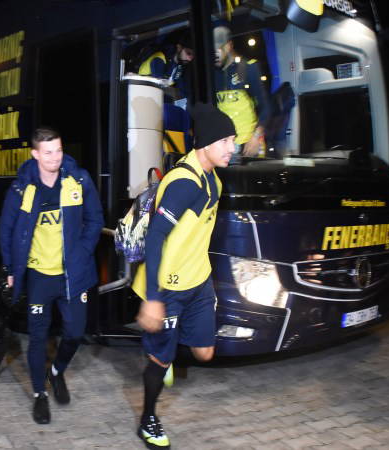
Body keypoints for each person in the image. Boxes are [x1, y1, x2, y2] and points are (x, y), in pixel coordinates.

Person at [132, 103, 235, 449]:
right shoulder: (183, 183)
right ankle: (148, 420)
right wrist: (153, 299)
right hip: (168, 287)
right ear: (206, 143)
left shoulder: (213, 180)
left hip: (198, 281)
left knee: (205, 352)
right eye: (226, 141)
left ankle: (170, 353)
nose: (232, 148)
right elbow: (155, 238)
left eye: (233, 140)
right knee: (160, 361)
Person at [0, 126, 104, 424]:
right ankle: (39, 395)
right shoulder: (22, 188)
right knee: (37, 337)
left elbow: (95, 219)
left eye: (58, 150)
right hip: (39, 277)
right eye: (48, 153)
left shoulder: (78, 180)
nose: (55, 158)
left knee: (75, 333)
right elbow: (7, 229)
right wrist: (10, 268)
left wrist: (83, 251)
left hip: (73, 274)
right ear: (35, 154)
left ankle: (56, 372)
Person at [213, 23, 270, 157]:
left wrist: (256, 137)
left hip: (249, 145)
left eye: (218, 50)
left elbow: (266, 107)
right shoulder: (212, 75)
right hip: (223, 147)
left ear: (228, 46)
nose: (215, 55)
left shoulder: (248, 68)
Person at [138, 32, 194, 104]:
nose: (190, 59)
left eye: (193, 56)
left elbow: (183, 89)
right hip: (142, 91)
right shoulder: (159, 59)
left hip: (154, 96)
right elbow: (158, 85)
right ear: (179, 47)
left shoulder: (179, 66)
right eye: (188, 53)